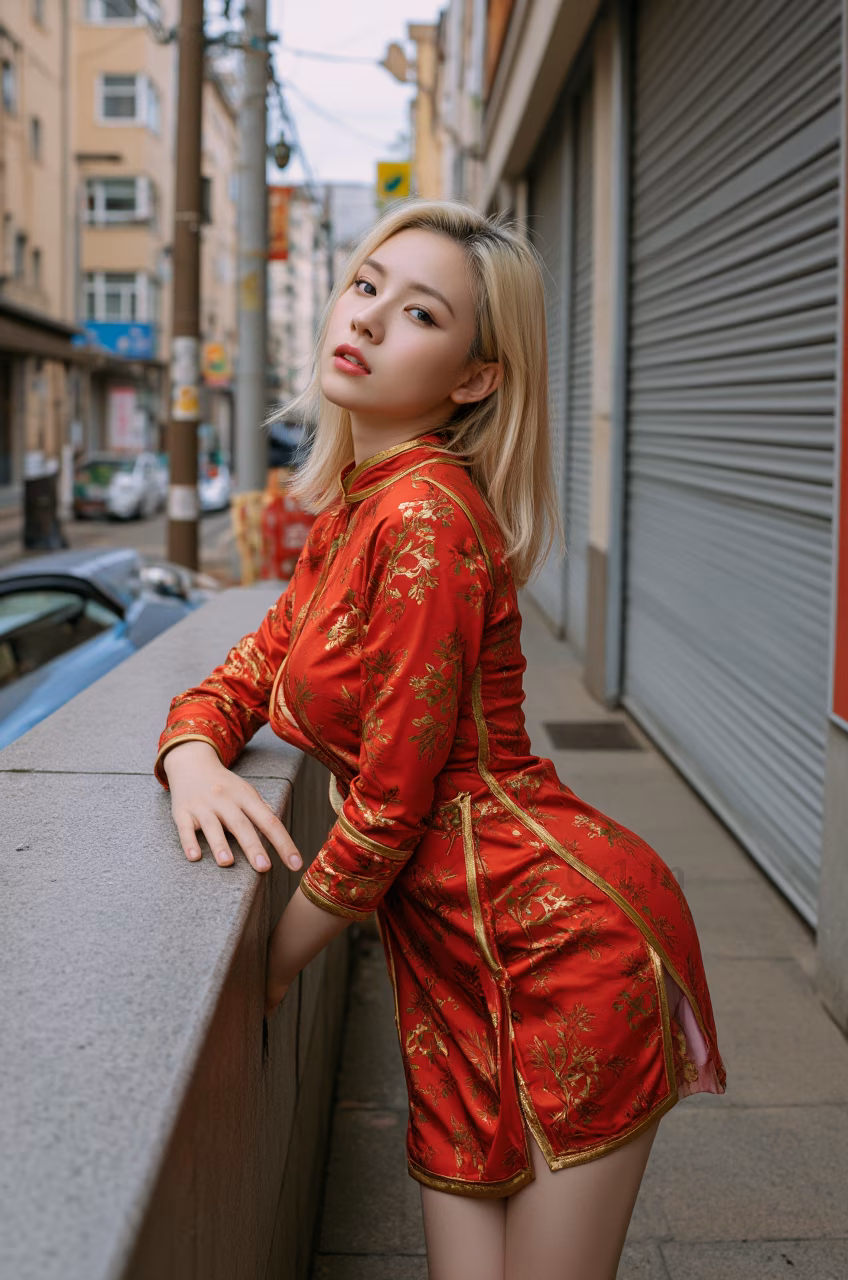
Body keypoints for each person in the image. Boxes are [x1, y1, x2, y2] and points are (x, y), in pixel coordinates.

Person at [154, 200, 726, 1280]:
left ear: (474, 376)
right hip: (451, 964)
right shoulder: (352, 516)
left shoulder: (427, 518)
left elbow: (387, 805)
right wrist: (189, 753)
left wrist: (261, 978)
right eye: (364, 285)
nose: (365, 320)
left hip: (564, 949)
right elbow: (241, 676)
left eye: (416, 311)